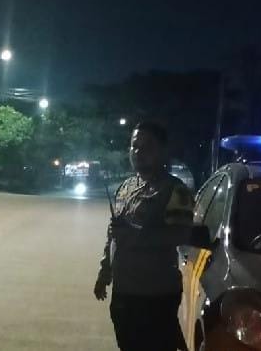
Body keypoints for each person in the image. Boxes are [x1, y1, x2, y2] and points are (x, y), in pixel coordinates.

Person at [94, 121, 194, 351]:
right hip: (123, 292)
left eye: (147, 146)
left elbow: (180, 235)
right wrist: (104, 271)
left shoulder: (175, 190)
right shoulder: (126, 187)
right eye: (134, 145)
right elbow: (113, 234)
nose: (138, 152)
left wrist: (134, 234)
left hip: (156, 295)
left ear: (163, 151)